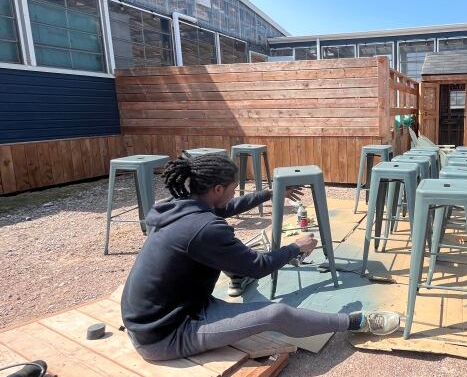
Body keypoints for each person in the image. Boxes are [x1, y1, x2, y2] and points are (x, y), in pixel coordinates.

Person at [120, 153, 400, 361]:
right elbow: (258, 266)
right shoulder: (205, 229)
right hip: (166, 333)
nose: (234, 193)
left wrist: (270, 193)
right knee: (274, 314)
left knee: (227, 250)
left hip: (166, 311)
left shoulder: (176, 207)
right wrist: (295, 248)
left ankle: (234, 279)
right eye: (232, 188)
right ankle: (356, 322)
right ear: (218, 189)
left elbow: (225, 209)